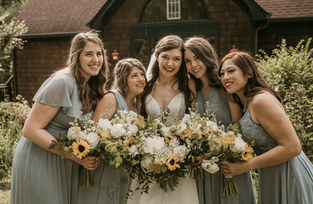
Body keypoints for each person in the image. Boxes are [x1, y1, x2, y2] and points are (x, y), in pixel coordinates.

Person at [10, 32, 107, 204]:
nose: (96, 60)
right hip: (39, 158)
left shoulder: (90, 84)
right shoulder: (62, 82)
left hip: (63, 161)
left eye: (99, 54)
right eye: (88, 54)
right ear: (76, 57)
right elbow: (31, 129)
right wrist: (75, 156)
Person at [219, 51, 313, 203]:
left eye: (231, 71)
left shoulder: (260, 101)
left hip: (289, 172)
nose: (225, 77)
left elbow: (293, 147)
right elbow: (235, 131)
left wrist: (245, 167)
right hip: (270, 173)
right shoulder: (244, 103)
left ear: (248, 73)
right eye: (222, 73)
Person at [184, 37, 256, 204]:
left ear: (207, 56)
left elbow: (238, 131)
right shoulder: (192, 89)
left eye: (197, 58)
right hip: (204, 171)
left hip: (229, 167)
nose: (193, 65)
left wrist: (210, 154)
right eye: (188, 61)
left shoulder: (226, 86)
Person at [127, 35, 197, 204]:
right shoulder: (146, 85)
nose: (170, 64)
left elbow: (193, 121)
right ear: (157, 57)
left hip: (180, 161)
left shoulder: (188, 84)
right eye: (165, 57)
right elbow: (138, 120)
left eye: (176, 59)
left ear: (181, 62)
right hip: (149, 162)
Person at [77, 58, 147, 204]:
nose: (141, 79)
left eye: (142, 74)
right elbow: (93, 132)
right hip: (104, 168)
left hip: (125, 171)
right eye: (134, 76)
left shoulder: (137, 104)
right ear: (123, 79)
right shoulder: (112, 98)